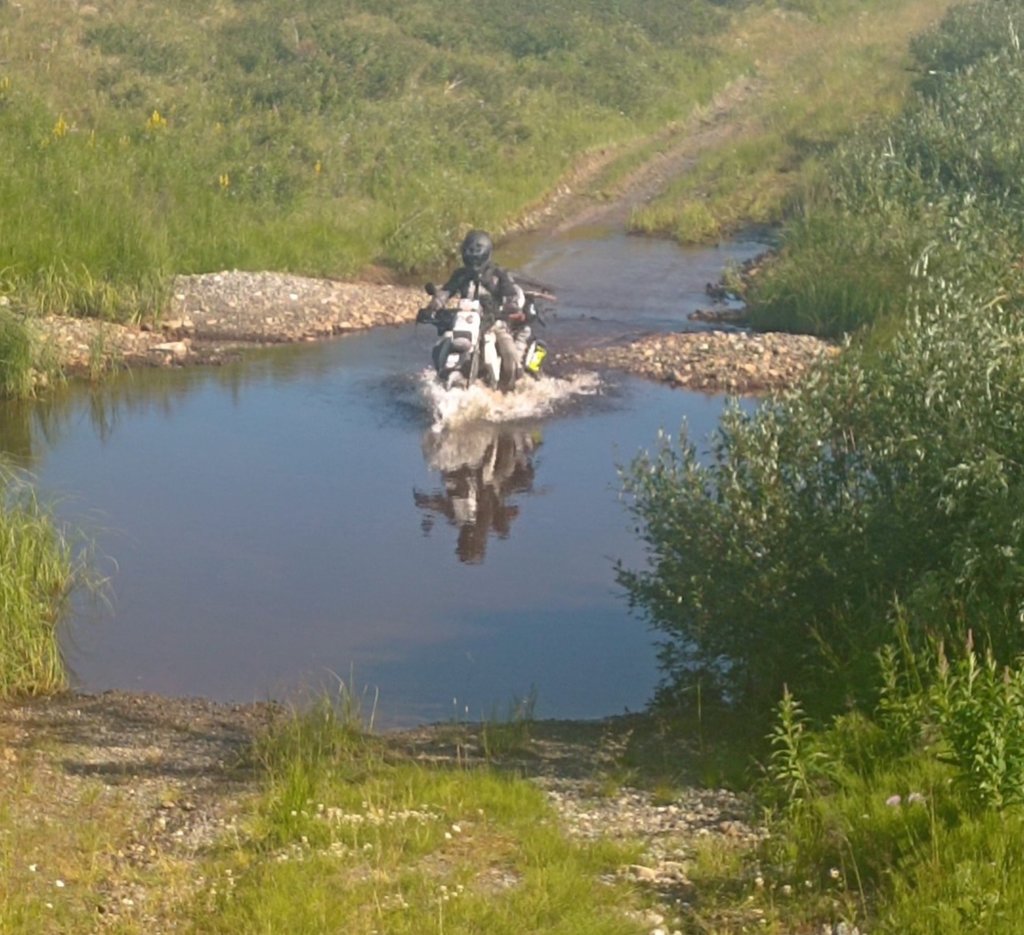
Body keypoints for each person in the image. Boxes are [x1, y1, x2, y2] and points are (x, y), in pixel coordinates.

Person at [424, 229, 531, 390]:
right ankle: (443, 374)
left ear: (485, 252)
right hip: (465, 320)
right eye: (468, 251)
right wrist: (432, 307)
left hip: (493, 322)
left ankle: (511, 387)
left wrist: (510, 307)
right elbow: (446, 291)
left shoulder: (499, 274)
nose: (472, 256)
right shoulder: (460, 274)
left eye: (476, 252)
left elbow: (511, 294)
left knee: (510, 354)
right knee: (442, 344)